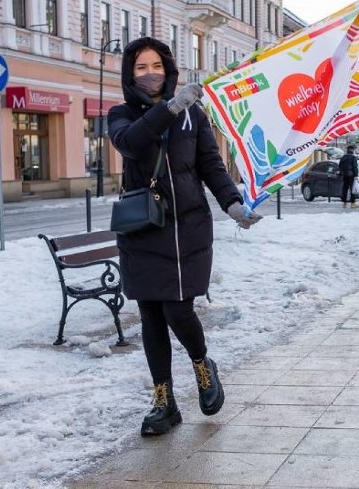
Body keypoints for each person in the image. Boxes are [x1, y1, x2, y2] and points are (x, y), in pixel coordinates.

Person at [108, 37, 262, 436]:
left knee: (178, 309)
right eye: (141, 68)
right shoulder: (119, 114)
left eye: (156, 66)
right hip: (143, 228)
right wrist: (169, 108)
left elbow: (211, 164)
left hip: (188, 228)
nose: (149, 74)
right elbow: (130, 143)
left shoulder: (194, 115)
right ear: (130, 74)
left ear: (169, 69)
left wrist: (233, 204)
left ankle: (202, 365)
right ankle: (164, 400)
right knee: (150, 315)